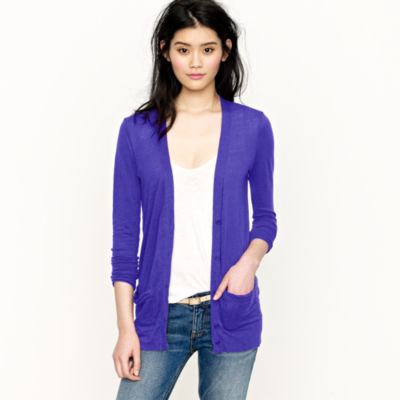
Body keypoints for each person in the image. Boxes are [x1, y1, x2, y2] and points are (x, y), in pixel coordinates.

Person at [110, 0, 278, 398]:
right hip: (159, 316)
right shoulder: (136, 132)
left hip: (231, 311)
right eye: (184, 49)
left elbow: (265, 219)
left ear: (226, 50)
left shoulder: (252, 128)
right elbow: (125, 239)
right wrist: (125, 328)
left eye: (208, 49)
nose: (196, 62)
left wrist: (248, 265)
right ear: (166, 51)